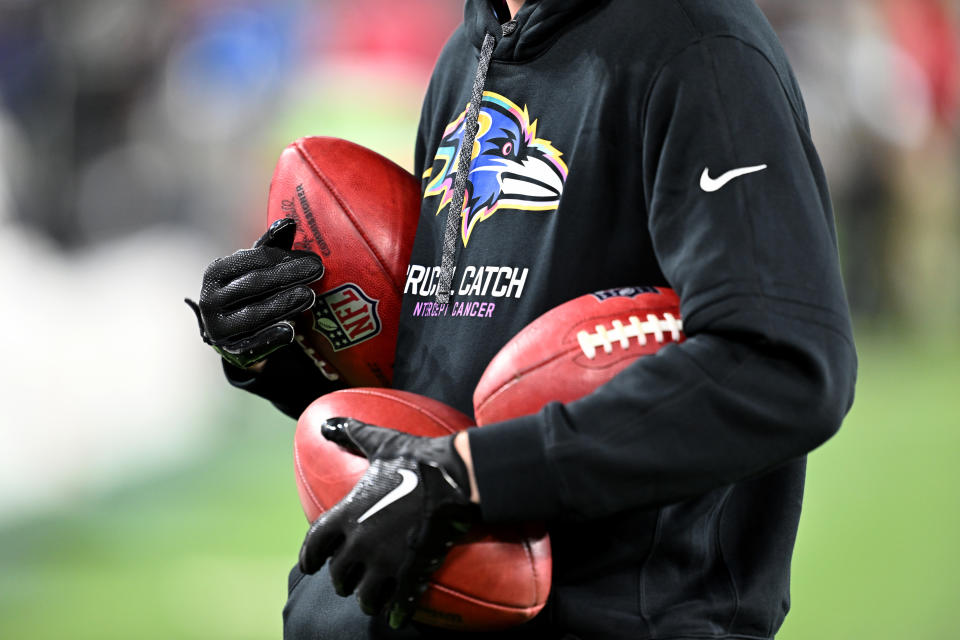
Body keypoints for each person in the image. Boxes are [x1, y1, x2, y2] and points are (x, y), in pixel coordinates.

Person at [189, 0, 858, 638]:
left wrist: (478, 477)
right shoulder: (469, 52)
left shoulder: (699, 46)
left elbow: (783, 364)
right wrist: (275, 346)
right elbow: (446, 386)